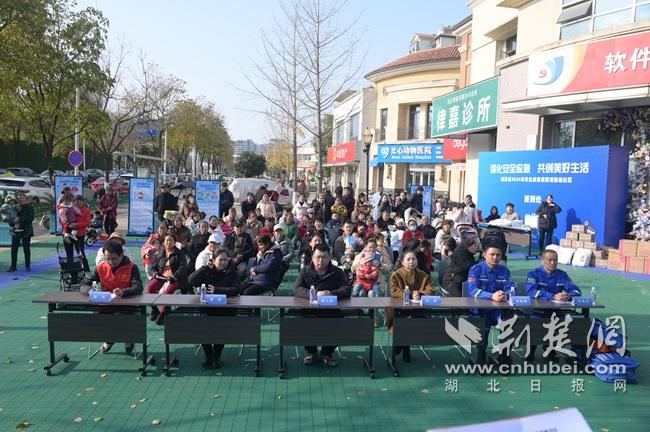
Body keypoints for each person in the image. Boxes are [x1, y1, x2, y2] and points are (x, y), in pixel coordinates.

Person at [80, 241, 143, 354]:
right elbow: (84, 285)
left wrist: (123, 292)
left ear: (121, 255)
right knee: (95, 318)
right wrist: (90, 291)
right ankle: (110, 339)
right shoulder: (100, 267)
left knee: (122, 319)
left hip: (127, 305)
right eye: (107, 258)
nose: (110, 262)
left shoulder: (132, 267)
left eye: (114, 258)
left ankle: (127, 339)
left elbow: (138, 287)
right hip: (106, 304)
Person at [294, 244, 351, 367]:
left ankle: (327, 354)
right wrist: (314, 294)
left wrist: (331, 293)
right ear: (312, 257)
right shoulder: (305, 271)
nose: (321, 260)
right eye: (318, 257)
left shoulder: (337, 272)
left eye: (324, 257)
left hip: (331, 309)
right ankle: (312, 353)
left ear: (329, 258)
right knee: (302, 321)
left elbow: (346, 289)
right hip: (310, 309)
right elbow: (297, 289)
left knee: (338, 322)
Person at [188, 249, 241, 369]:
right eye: (220, 260)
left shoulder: (232, 272)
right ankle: (208, 356)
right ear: (213, 260)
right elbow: (191, 281)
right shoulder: (207, 271)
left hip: (225, 309)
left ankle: (216, 357)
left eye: (225, 260)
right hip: (207, 308)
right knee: (203, 330)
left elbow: (237, 289)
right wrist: (205, 268)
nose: (223, 262)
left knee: (220, 331)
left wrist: (217, 290)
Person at [466, 245, 514, 364]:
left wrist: (505, 295)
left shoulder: (505, 271)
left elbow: (511, 289)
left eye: (498, 255)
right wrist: (491, 296)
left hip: (498, 310)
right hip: (480, 310)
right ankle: (481, 354)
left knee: (510, 322)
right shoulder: (476, 269)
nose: (495, 257)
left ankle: (503, 355)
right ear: (484, 254)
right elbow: (472, 290)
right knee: (483, 327)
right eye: (492, 254)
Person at [388, 250, 435, 362]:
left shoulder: (423, 275)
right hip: (399, 309)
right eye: (408, 259)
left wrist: (421, 294)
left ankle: (402, 345)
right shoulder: (396, 274)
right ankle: (405, 347)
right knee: (403, 321)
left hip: (417, 309)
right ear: (402, 262)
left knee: (416, 320)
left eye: (413, 259)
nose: (411, 262)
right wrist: (408, 295)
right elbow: (393, 291)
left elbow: (431, 290)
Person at [147, 234, 188, 323]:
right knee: (150, 287)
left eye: (171, 240)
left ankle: (163, 312)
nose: (169, 242)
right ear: (163, 242)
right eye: (167, 240)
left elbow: (183, 267)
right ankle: (154, 309)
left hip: (175, 278)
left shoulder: (179, 253)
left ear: (174, 242)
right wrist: (155, 274)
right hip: (161, 277)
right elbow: (153, 267)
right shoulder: (161, 253)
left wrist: (175, 276)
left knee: (168, 291)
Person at [7, 193, 34, 272]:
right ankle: (13, 266)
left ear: (26, 198)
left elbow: (30, 218)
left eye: (22, 198)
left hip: (26, 230)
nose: (20, 199)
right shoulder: (14, 207)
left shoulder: (30, 207)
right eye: (18, 198)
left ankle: (27, 266)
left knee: (26, 249)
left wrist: (19, 219)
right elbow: (11, 218)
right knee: (14, 249)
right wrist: (11, 222)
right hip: (16, 231)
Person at [65, 196, 91, 274]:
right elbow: (62, 220)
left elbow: (87, 223)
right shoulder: (69, 209)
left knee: (80, 253)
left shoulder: (86, 211)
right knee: (69, 254)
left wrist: (76, 224)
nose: (78, 202)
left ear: (83, 202)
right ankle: (70, 271)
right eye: (76, 201)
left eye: (80, 201)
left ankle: (86, 270)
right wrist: (67, 225)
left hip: (80, 235)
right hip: (68, 234)